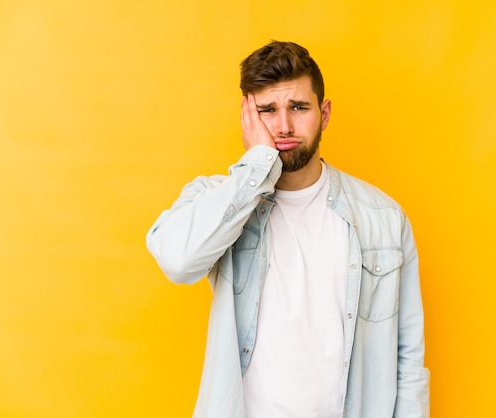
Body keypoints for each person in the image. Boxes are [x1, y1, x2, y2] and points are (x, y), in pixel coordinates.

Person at [146, 40, 430, 418]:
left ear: (324, 113)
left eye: (298, 107)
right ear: (248, 118)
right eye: (267, 110)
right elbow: (178, 262)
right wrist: (257, 164)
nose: (283, 126)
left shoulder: (383, 218)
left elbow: (408, 359)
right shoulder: (218, 200)